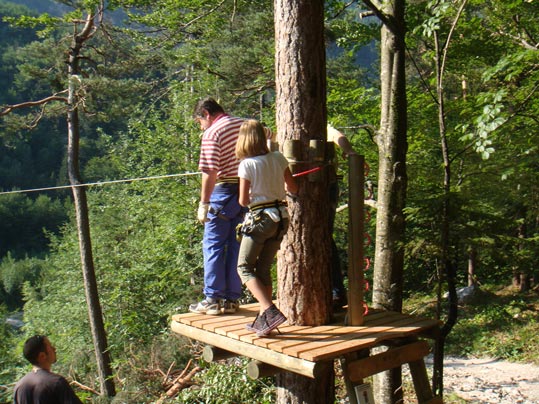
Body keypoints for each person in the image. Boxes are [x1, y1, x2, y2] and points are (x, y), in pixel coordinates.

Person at [235, 120, 298, 336]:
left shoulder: (246, 164)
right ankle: (265, 321)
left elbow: (243, 200)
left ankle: (270, 310)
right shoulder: (278, 158)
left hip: (261, 219)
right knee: (263, 269)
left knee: (243, 267)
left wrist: (258, 193)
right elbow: (293, 187)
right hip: (281, 218)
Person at [189, 97, 245, 315]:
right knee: (236, 244)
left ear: (206, 113)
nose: (201, 126)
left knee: (212, 245)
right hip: (244, 192)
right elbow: (271, 140)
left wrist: (204, 202)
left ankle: (212, 298)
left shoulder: (212, 134)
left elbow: (210, 171)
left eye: (199, 121)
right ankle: (232, 299)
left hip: (222, 193)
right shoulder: (247, 125)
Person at [327, 124, 357, 311]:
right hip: (298, 190)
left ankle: (336, 291)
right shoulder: (282, 130)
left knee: (324, 238)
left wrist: (349, 152)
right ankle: (335, 291)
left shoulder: (321, 126)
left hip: (324, 186)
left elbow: (339, 137)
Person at [13, 335, 83, 404]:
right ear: (42, 356)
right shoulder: (56, 383)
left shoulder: (19, 387)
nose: (54, 349)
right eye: (50, 347)